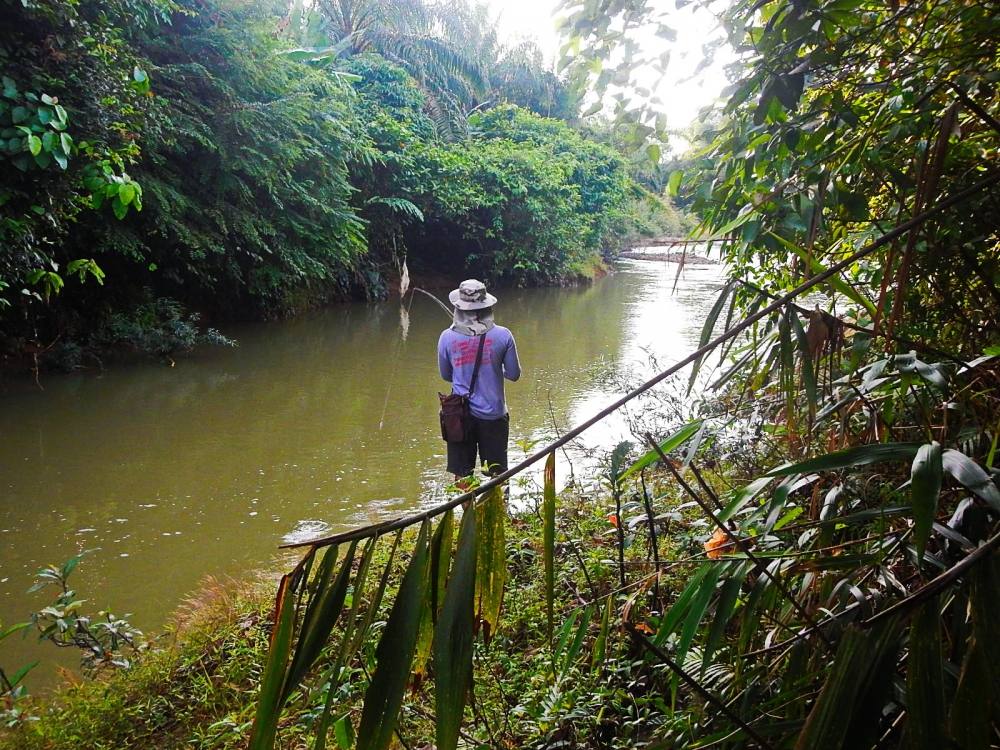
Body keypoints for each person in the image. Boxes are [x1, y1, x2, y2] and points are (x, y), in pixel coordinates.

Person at [438, 279, 521, 486]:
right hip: (493, 413)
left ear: (458, 308)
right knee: (497, 474)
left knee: (463, 475)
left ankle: (467, 515)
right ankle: (497, 515)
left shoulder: (446, 338)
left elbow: (446, 375)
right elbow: (513, 374)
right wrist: (494, 367)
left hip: (460, 414)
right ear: (487, 307)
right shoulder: (503, 336)